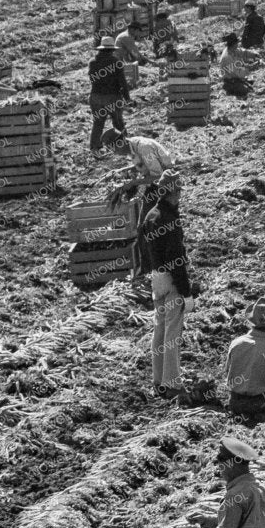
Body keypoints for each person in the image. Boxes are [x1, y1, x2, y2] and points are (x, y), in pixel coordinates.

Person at [135, 176, 192, 398]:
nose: (180, 195)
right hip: (170, 279)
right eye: (179, 191)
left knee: (159, 328)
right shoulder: (169, 220)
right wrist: (186, 292)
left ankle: (158, 380)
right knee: (172, 332)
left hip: (156, 278)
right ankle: (173, 383)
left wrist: (150, 272)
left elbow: (142, 249)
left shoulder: (150, 215)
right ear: (173, 193)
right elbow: (176, 259)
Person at [224, 303, 265, 420]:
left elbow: (227, 371)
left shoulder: (236, 343)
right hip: (260, 404)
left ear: (252, 321)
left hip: (234, 403)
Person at [89, 36, 131, 150]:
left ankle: (95, 148)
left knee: (98, 124)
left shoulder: (92, 62)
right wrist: (127, 98)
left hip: (95, 96)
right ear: (111, 50)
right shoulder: (116, 62)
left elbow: (92, 79)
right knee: (118, 123)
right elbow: (122, 83)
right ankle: (125, 146)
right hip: (112, 97)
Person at [104, 131, 181, 184]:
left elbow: (159, 176)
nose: (115, 153)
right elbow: (143, 163)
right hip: (157, 174)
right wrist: (122, 170)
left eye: (115, 150)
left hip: (169, 177)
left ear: (121, 143)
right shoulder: (131, 143)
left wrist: (132, 183)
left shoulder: (144, 148)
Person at [218, 33, 258, 99]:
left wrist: (254, 54)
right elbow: (238, 73)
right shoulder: (227, 57)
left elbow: (243, 52)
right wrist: (250, 68)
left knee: (251, 85)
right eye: (237, 43)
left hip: (235, 79)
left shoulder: (232, 50)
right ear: (234, 44)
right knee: (249, 91)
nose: (238, 44)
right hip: (230, 82)